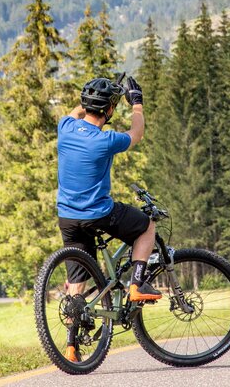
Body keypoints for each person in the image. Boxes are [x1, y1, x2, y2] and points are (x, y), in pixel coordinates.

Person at [57, 75, 161, 362]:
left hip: (67, 217)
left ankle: (71, 347)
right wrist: (136, 102)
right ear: (109, 111)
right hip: (98, 213)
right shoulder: (105, 140)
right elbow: (136, 134)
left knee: (76, 280)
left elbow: (77, 111)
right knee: (146, 227)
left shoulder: (65, 128)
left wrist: (97, 97)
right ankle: (137, 284)